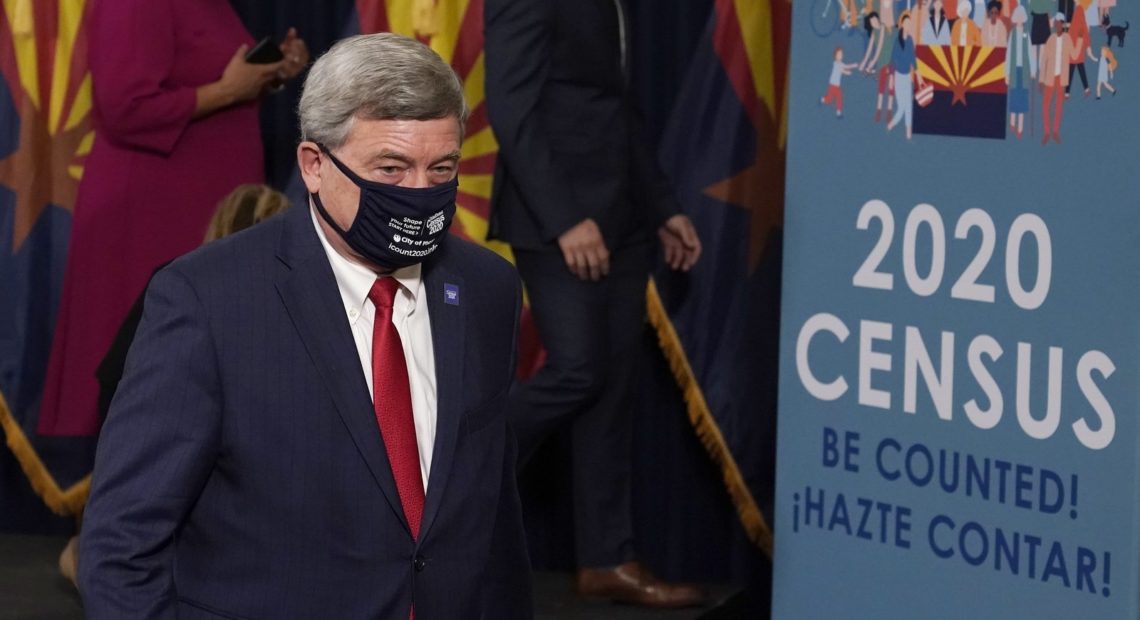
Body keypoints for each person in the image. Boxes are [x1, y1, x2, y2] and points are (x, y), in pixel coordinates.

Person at [79, 33, 532, 618]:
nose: (421, 195)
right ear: (314, 165)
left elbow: (493, 517)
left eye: (440, 168)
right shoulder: (207, 299)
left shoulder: (487, 289)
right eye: (391, 168)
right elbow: (123, 545)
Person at [484, 0, 705, 609]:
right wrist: (563, 221)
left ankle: (607, 559)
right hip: (558, 219)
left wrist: (663, 206)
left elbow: (618, 110)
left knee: (612, 389)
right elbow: (511, 107)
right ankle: (453, 459)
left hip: (623, 217)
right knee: (579, 371)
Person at [38, 0, 310, 439]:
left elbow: (203, 71)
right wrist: (228, 90)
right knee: (145, 385)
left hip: (199, 210)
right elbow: (124, 106)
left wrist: (269, 71)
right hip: (150, 220)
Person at [1039, 13, 1083, 144]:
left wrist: (1080, 40)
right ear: (1054, 24)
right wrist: (1041, 79)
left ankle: (1055, 131)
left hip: (1061, 78)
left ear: (1063, 24)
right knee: (1046, 105)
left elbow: (1074, 55)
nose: (1058, 25)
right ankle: (1046, 132)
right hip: (1049, 78)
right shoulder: (1050, 39)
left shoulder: (1067, 39)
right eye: (1057, 22)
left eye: (1061, 23)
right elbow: (1044, 60)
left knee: (1059, 106)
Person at [888, 12, 926, 140]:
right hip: (898, 76)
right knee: (901, 107)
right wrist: (891, 79)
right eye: (906, 23)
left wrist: (919, 77)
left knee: (908, 106)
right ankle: (892, 123)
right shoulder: (897, 41)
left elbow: (913, 60)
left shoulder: (910, 40)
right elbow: (892, 60)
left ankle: (908, 130)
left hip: (906, 77)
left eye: (910, 23)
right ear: (902, 24)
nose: (908, 25)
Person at [1006, 7, 1036, 138]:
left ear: (1023, 18)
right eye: (1016, 16)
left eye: (1020, 16)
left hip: (1023, 71)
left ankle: (1020, 127)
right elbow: (1008, 54)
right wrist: (1006, 73)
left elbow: (1030, 52)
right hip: (1014, 70)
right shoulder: (1012, 33)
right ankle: (1012, 122)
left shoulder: (1026, 33)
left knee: (1022, 96)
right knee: (1013, 95)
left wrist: (1033, 69)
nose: (1018, 19)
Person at [821, 47, 859, 118]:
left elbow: (846, 66)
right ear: (835, 56)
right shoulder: (835, 63)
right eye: (839, 54)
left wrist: (854, 65)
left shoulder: (841, 63)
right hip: (832, 85)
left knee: (839, 97)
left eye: (841, 54)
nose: (841, 55)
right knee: (829, 99)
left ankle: (838, 111)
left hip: (837, 86)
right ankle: (823, 99)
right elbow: (841, 70)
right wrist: (847, 73)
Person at [1065, 3, 1092, 97]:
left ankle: (1067, 92)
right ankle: (1086, 88)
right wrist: (1088, 47)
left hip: (1073, 51)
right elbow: (1085, 33)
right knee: (1080, 70)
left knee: (1071, 71)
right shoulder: (1080, 14)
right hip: (1078, 50)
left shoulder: (1077, 14)